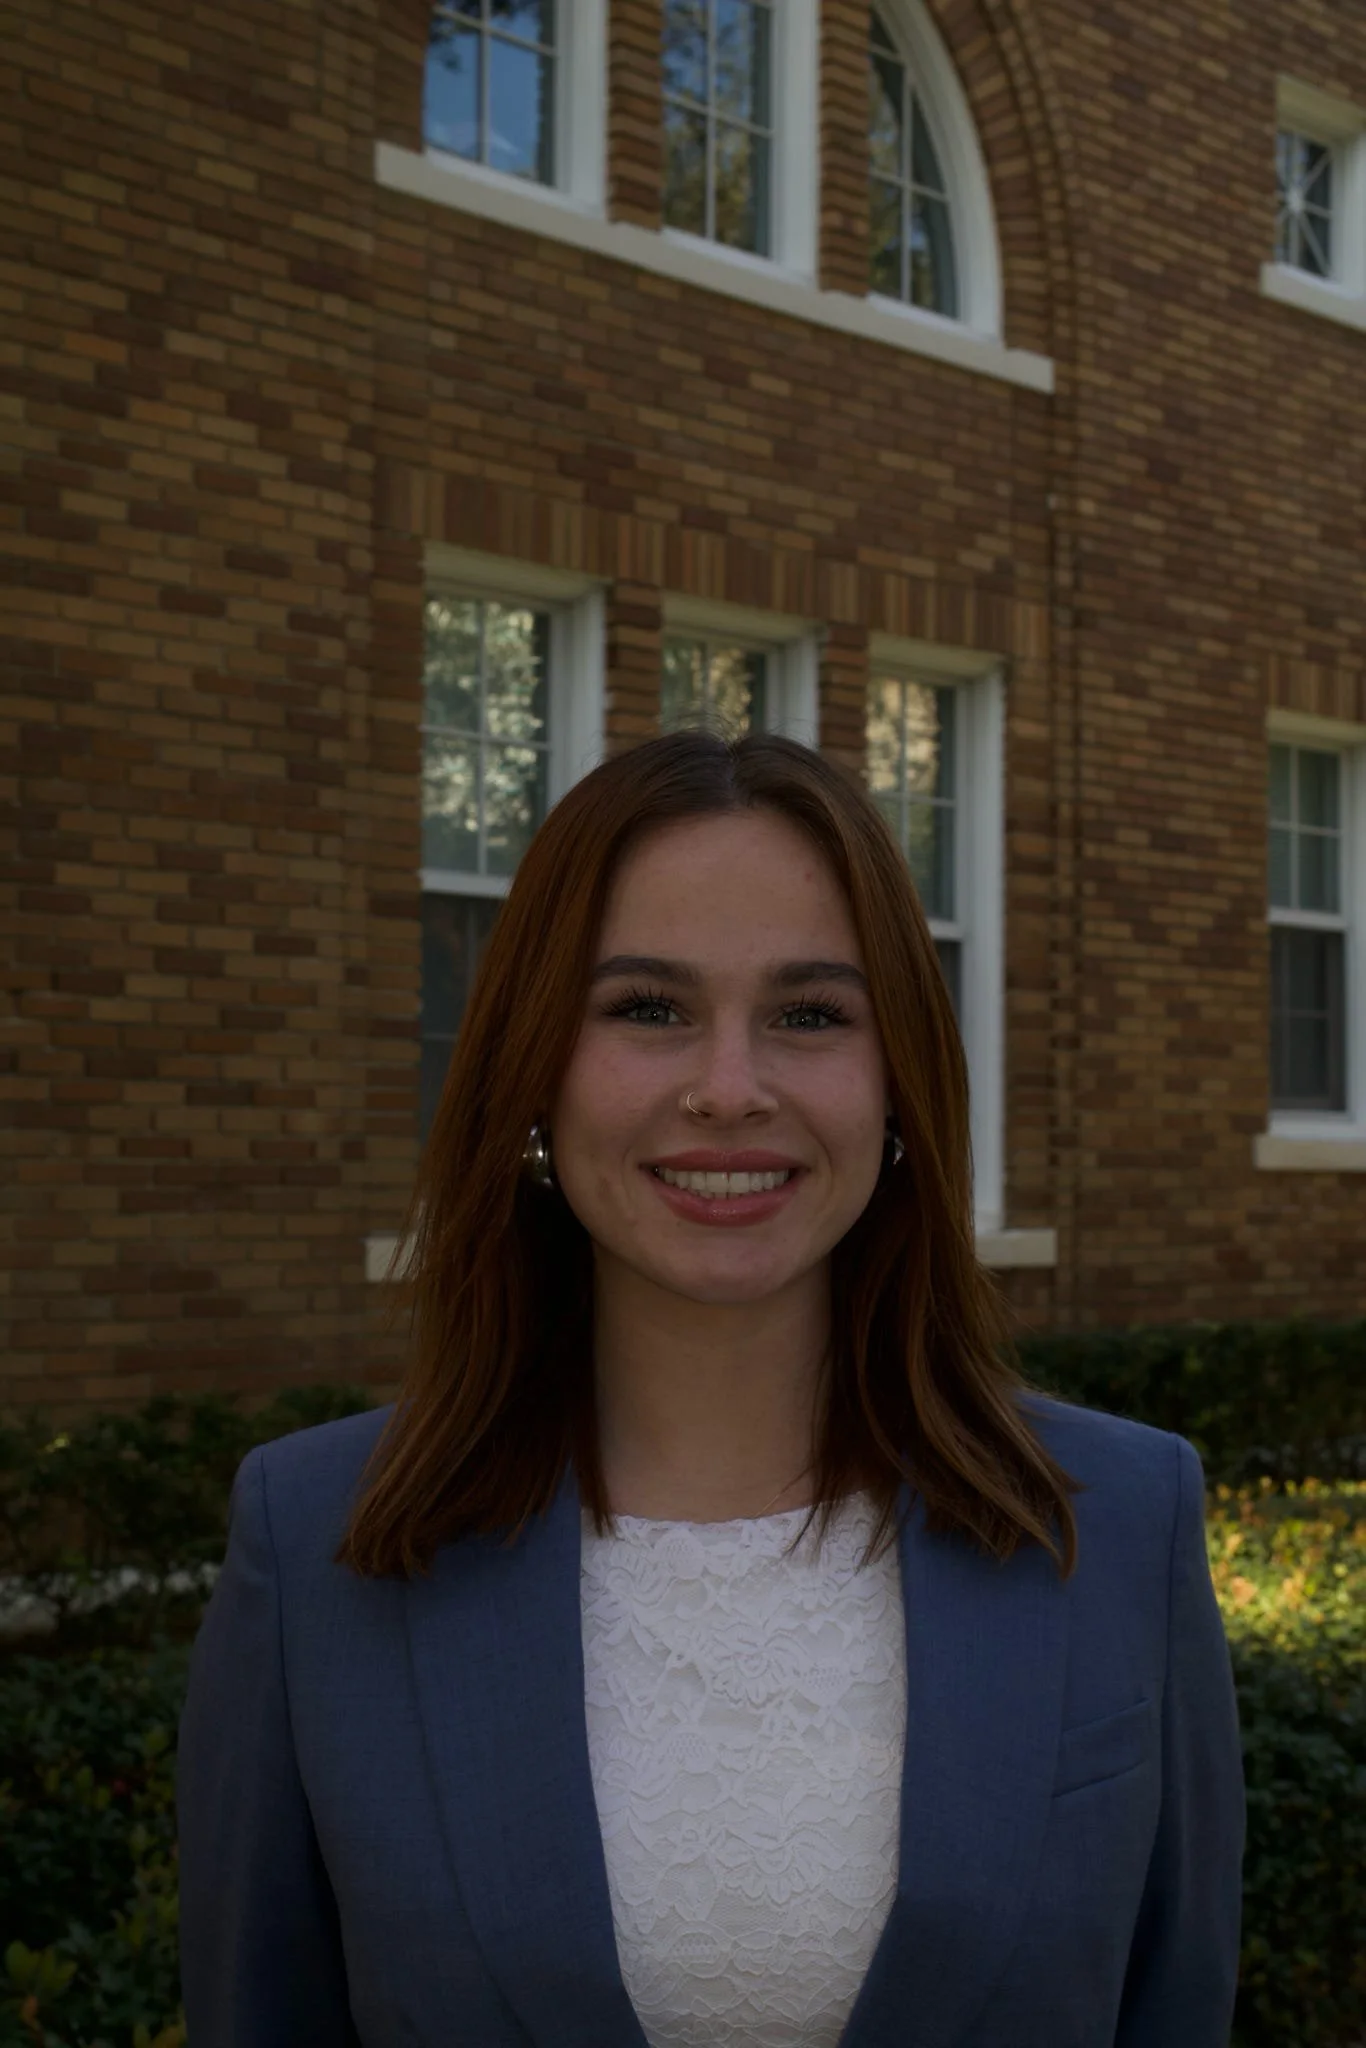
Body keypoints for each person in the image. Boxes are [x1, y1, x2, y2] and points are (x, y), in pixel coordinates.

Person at [176, 730, 1246, 2048]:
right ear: (533, 1069)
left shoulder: (1121, 1521)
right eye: (646, 1008)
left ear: (898, 1079)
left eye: (810, 1015)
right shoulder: (316, 1545)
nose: (729, 1091)